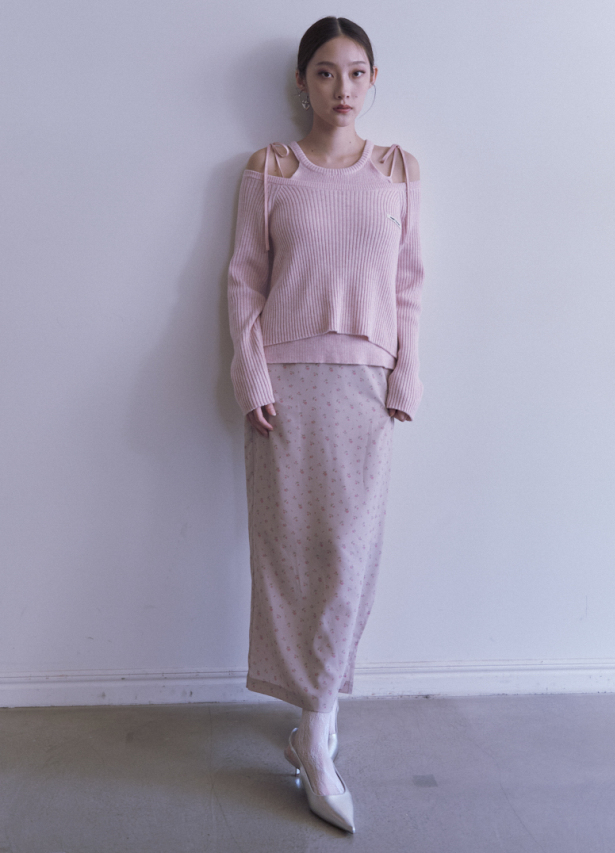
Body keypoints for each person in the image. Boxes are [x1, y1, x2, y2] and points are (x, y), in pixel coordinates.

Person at [227, 16, 424, 833]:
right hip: (285, 383)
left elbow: (411, 284)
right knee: (289, 554)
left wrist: (406, 373)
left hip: (365, 385)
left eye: (356, 72)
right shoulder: (270, 169)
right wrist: (250, 375)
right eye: (325, 72)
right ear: (303, 82)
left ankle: (314, 727)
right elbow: (243, 280)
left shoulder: (399, 170)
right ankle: (314, 725)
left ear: (374, 80)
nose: (342, 88)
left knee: (349, 555)